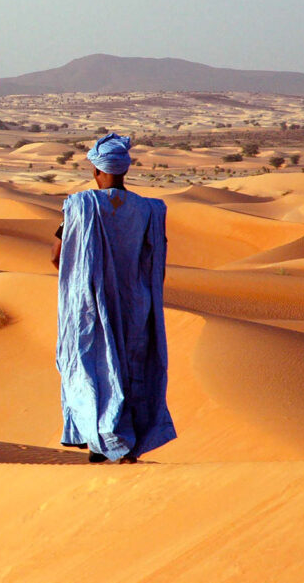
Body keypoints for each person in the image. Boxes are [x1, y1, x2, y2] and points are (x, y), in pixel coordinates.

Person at [50, 133, 176, 463]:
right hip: (138, 304)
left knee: (93, 365)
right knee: (134, 368)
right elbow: (157, 260)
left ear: (96, 170)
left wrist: (81, 282)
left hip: (92, 304)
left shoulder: (80, 206)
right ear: (125, 169)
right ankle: (127, 443)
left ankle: (100, 440)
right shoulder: (150, 210)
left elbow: (57, 256)